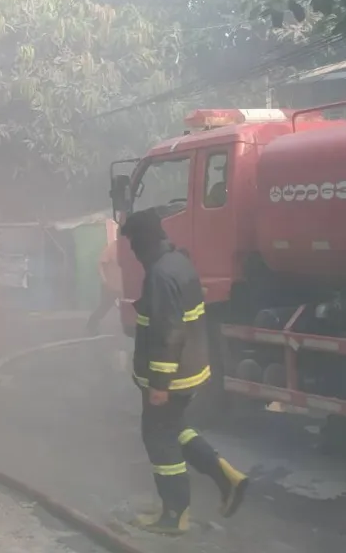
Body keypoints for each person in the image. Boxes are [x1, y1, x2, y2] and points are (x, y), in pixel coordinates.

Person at [122, 208, 248, 535]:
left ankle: (175, 513)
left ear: (142, 244)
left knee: (159, 438)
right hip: (190, 369)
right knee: (176, 428)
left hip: (172, 376)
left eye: (133, 245)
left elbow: (169, 332)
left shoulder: (161, 275)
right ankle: (226, 477)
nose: (133, 253)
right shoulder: (179, 262)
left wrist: (159, 383)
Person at [86, 218, 122, 336]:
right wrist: (104, 279)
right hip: (110, 285)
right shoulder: (113, 247)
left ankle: (126, 329)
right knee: (105, 307)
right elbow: (100, 263)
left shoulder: (127, 248)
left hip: (122, 286)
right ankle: (91, 325)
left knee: (126, 307)